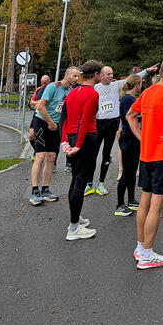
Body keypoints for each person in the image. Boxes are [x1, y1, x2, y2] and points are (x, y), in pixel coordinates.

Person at [126, 57, 163, 269]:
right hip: (162, 155)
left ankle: (141, 247)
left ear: (159, 71)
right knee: (156, 207)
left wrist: (141, 137)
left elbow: (130, 115)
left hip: (146, 155)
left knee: (144, 202)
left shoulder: (147, 91)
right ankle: (148, 254)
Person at [85, 63, 158, 196]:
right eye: (108, 74)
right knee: (93, 154)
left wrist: (147, 71)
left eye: (112, 73)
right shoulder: (95, 88)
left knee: (106, 154)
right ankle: (89, 183)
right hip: (99, 124)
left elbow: (132, 78)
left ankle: (101, 183)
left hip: (112, 123)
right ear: (100, 76)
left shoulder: (115, 85)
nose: (111, 76)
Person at [60, 60, 103, 241]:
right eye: (100, 74)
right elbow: (85, 120)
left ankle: (75, 218)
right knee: (81, 181)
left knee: (75, 179)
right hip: (85, 138)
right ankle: (74, 228)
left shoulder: (72, 92)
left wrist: (64, 142)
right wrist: (78, 144)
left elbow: (64, 119)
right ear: (95, 75)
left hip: (72, 137)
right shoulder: (92, 93)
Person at [28, 67, 79, 206]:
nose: (76, 79)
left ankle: (45, 189)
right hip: (43, 122)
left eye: (78, 76)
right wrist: (50, 122)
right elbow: (41, 106)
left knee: (52, 157)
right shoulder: (52, 87)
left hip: (56, 126)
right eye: (74, 76)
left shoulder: (70, 91)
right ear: (67, 75)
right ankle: (34, 192)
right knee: (40, 156)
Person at [115, 74, 142, 217]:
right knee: (126, 171)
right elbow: (129, 118)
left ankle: (131, 200)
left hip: (134, 138)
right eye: (140, 84)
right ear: (137, 84)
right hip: (128, 137)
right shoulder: (126, 99)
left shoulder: (133, 99)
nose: (141, 86)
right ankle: (119, 205)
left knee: (132, 171)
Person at [28, 75, 50, 161]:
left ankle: (41, 153)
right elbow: (31, 102)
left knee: (45, 136)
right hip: (36, 114)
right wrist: (38, 102)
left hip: (47, 115)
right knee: (31, 135)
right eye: (42, 83)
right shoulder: (38, 90)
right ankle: (36, 151)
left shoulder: (51, 90)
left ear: (49, 82)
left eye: (45, 83)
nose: (43, 85)